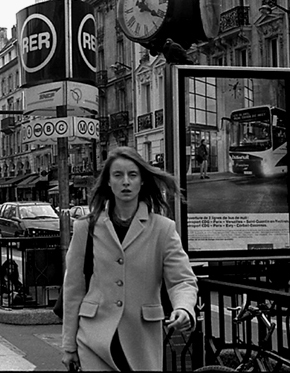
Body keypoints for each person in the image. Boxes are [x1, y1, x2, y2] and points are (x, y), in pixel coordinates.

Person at [60, 146, 199, 371]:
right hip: (94, 338)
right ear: (108, 182)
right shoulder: (86, 227)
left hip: (141, 339)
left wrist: (184, 308)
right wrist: (68, 345)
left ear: (142, 181)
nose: (126, 181)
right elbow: (74, 289)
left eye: (132, 175)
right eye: (118, 175)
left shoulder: (163, 229)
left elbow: (182, 280)